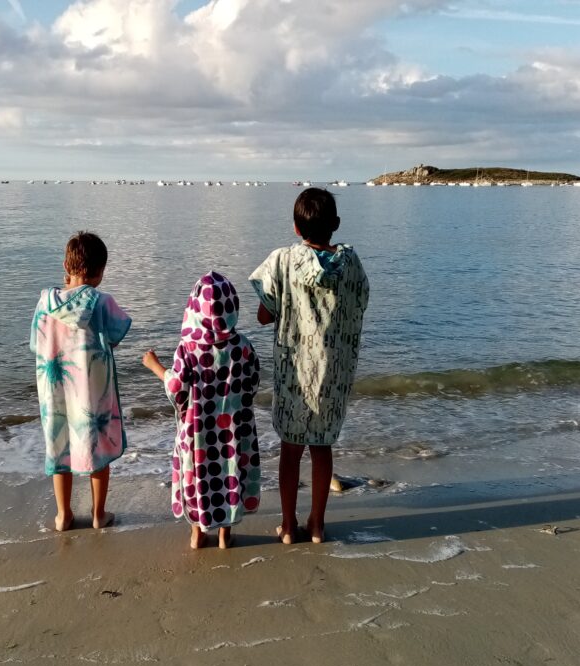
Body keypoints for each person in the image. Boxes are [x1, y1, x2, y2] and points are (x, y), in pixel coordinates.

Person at [249, 188, 370, 544]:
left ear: (295, 228)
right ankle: (317, 523)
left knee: (291, 448)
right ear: (336, 224)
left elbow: (262, 315)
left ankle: (288, 526)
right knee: (321, 447)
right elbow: (360, 302)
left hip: (294, 374)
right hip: (333, 373)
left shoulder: (283, 261)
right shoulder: (351, 263)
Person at [142, 272, 261, 550]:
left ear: (194, 308)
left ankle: (197, 532)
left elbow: (175, 386)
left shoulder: (188, 349)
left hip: (198, 431)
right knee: (230, 472)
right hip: (233, 428)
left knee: (198, 476)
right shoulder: (243, 347)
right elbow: (252, 383)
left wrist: (155, 366)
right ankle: (224, 535)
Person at [30, 231, 131, 532]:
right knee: (97, 449)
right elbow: (115, 336)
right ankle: (99, 513)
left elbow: (36, 344)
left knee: (59, 448)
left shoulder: (45, 302)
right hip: (91, 390)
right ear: (100, 272)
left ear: (65, 265)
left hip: (54, 389)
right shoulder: (102, 303)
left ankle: (64, 515)